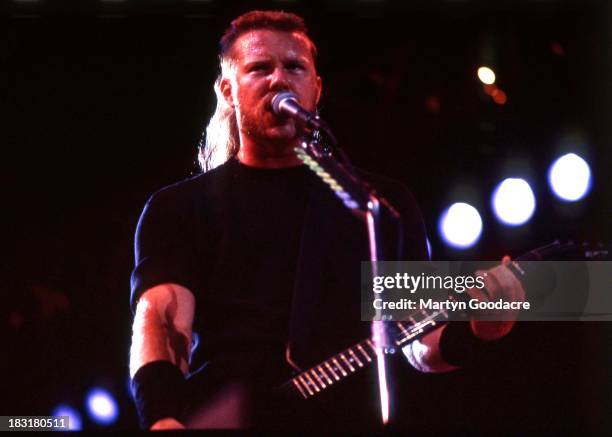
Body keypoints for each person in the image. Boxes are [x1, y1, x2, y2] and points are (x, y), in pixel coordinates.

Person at [128, 10, 524, 430]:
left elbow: (420, 343)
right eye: (260, 68)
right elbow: (164, 319)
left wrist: (484, 327)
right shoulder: (180, 207)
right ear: (228, 91)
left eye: (294, 67)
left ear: (315, 88)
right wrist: (162, 417)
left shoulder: (378, 204)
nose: (279, 79)